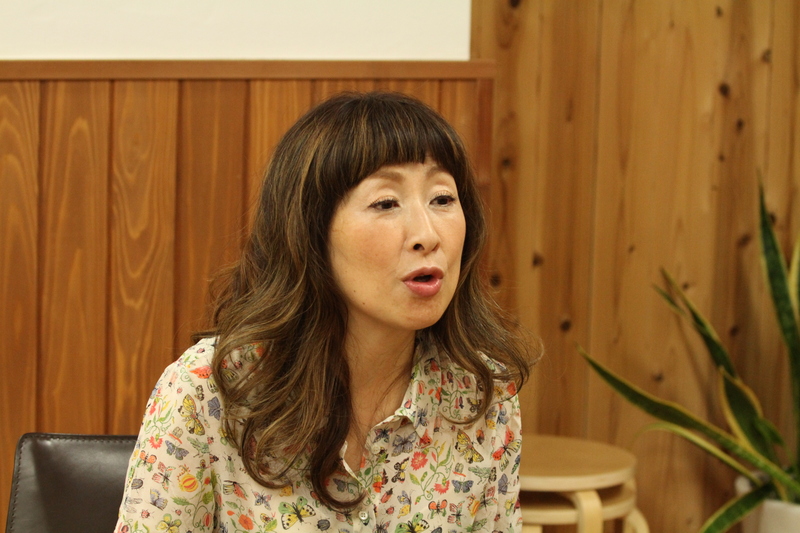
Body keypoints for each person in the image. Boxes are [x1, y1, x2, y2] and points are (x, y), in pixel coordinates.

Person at [115, 91, 534, 533]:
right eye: (386, 203)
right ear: (310, 230)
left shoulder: (482, 392)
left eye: (443, 199)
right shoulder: (208, 391)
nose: (427, 235)